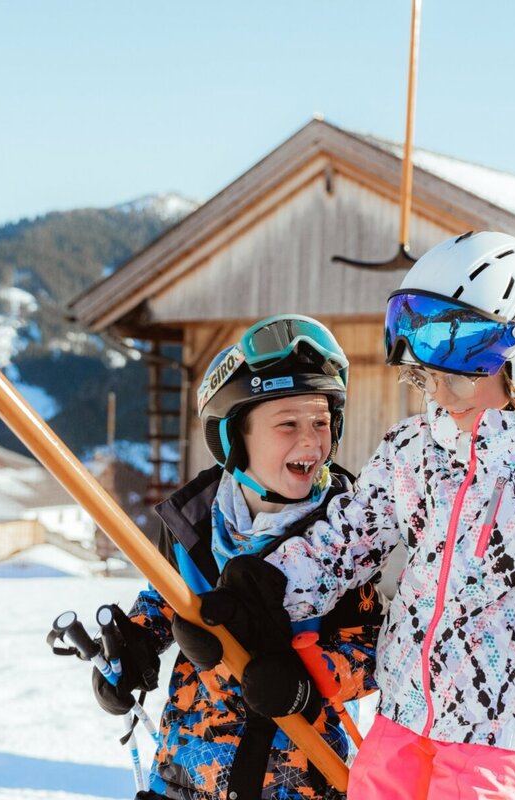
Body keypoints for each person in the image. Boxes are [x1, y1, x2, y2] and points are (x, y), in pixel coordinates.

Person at [195, 231, 515, 799]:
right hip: (401, 712)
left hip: (499, 731)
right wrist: (262, 590)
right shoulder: (414, 448)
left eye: (456, 376)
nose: (441, 395)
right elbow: (345, 539)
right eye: (426, 377)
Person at [91, 314, 383, 800]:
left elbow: (372, 645)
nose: (311, 440)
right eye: (287, 424)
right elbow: (163, 601)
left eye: (321, 421)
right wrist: (132, 647)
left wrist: (303, 685)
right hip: (188, 773)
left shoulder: (348, 529)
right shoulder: (193, 521)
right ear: (233, 438)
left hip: (298, 779)